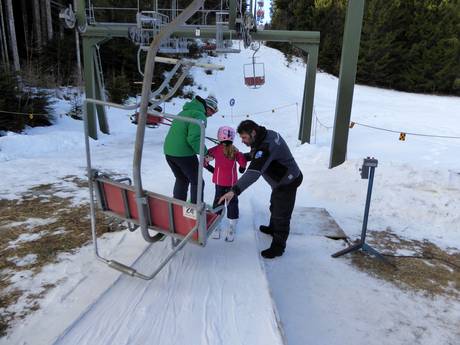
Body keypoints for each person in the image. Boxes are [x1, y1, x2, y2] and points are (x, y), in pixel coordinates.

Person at [219, 120, 303, 258]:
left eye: (244, 137)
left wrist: (234, 190)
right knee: (274, 205)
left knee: (281, 215)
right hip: (279, 182)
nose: (243, 141)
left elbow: (253, 172)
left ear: (253, 133)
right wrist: (242, 157)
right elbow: (256, 153)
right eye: (241, 138)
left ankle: (278, 247)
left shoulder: (266, 146)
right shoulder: (263, 136)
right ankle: (272, 228)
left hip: (288, 182)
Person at [164, 94, 218, 203]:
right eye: (212, 111)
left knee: (182, 179)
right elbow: (194, 139)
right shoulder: (199, 115)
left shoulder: (184, 112)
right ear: (207, 107)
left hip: (169, 152)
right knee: (198, 182)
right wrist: (205, 153)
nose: (212, 115)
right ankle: (195, 210)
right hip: (183, 154)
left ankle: (177, 207)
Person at [205, 126, 247, 242]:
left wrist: (210, 168)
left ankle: (216, 226)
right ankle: (232, 227)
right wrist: (242, 168)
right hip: (232, 183)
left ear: (219, 137)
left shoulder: (215, 149)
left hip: (219, 182)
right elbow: (242, 161)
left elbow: (205, 160)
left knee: (218, 201)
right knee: (232, 202)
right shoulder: (234, 150)